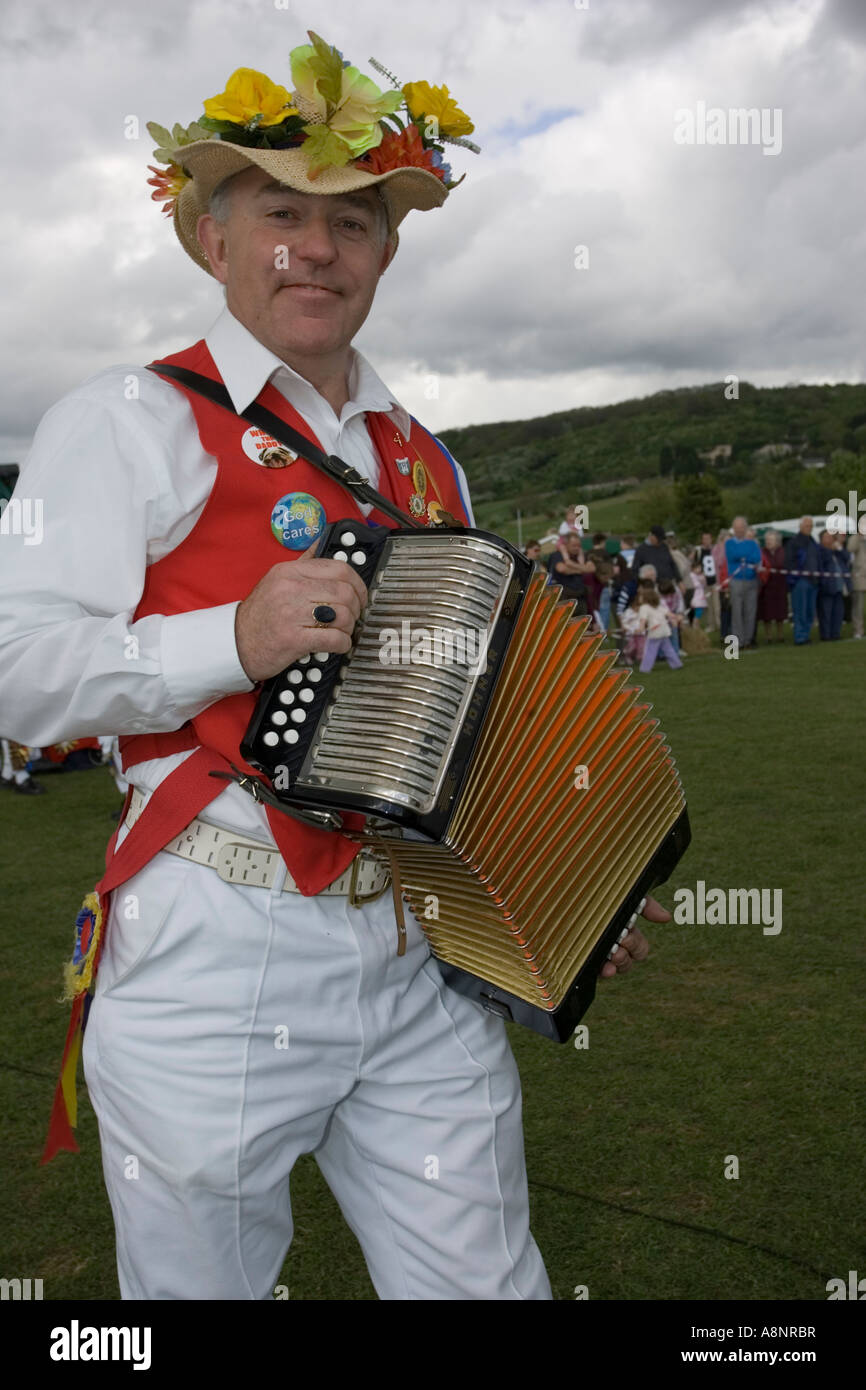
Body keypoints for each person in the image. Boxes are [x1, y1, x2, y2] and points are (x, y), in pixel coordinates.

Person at [0, 38, 666, 1302]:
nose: (317, 247)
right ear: (211, 237)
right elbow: (13, 670)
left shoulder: (427, 457)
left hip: (416, 934)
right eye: (281, 214)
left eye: (351, 221)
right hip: (214, 937)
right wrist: (227, 643)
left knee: (487, 1286)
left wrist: (577, 891)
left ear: (386, 252)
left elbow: (483, 714)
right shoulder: (120, 419)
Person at [724, 516, 762, 649]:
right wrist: (746, 556)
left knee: (750, 611)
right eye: (737, 528)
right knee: (737, 612)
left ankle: (748, 639)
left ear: (746, 528)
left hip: (751, 580)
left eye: (742, 527)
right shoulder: (729, 543)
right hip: (736, 581)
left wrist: (744, 557)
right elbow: (732, 556)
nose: (739, 530)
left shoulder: (752, 543)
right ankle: (738, 640)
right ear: (733, 529)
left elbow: (757, 558)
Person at [783, 517, 821, 645]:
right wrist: (795, 578)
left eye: (811, 526)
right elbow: (789, 562)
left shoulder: (813, 542)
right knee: (800, 610)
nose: (809, 528)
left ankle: (806, 634)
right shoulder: (794, 542)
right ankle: (800, 637)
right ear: (800, 526)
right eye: (806, 526)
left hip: (813, 581)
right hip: (800, 581)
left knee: (810, 611)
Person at [548, 530, 595, 616]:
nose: (577, 548)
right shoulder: (557, 555)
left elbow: (592, 568)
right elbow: (562, 569)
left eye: (578, 546)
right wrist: (582, 569)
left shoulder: (581, 555)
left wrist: (570, 564)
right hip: (565, 599)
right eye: (574, 546)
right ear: (566, 545)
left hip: (581, 599)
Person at [637, 587, 683, 673]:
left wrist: (641, 628)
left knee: (650, 650)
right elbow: (670, 614)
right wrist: (678, 617)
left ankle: (645, 668)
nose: (639, 598)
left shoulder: (644, 607)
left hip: (655, 632)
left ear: (645, 598)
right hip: (664, 630)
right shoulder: (658, 606)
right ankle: (677, 664)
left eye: (641, 596)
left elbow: (643, 620)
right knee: (668, 649)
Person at [816, 528, 849, 641]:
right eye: (827, 537)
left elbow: (847, 557)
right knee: (826, 612)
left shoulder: (837, 551)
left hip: (839, 586)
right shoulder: (820, 550)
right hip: (827, 586)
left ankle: (836, 633)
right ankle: (826, 635)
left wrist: (839, 548)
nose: (830, 539)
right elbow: (823, 562)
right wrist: (831, 550)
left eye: (831, 537)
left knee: (838, 612)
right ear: (821, 539)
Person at [757, 529, 786, 643]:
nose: (768, 542)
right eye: (767, 540)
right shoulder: (762, 552)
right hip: (767, 586)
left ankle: (780, 634)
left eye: (771, 540)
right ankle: (768, 635)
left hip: (780, 586)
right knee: (766, 613)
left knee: (780, 612)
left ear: (777, 541)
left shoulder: (782, 552)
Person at [694, 532, 720, 632]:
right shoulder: (699, 551)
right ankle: (711, 625)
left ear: (711, 539)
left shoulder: (715, 550)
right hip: (705, 583)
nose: (706, 541)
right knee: (709, 606)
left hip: (715, 581)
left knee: (717, 605)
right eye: (704, 539)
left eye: (708, 538)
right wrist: (700, 575)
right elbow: (696, 565)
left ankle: (719, 624)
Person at [847, 514, 866, 639]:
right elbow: (850, 548)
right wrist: (858, 536)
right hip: (860, 576)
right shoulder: (855, 538)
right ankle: (858, 631)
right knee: (858, 607)